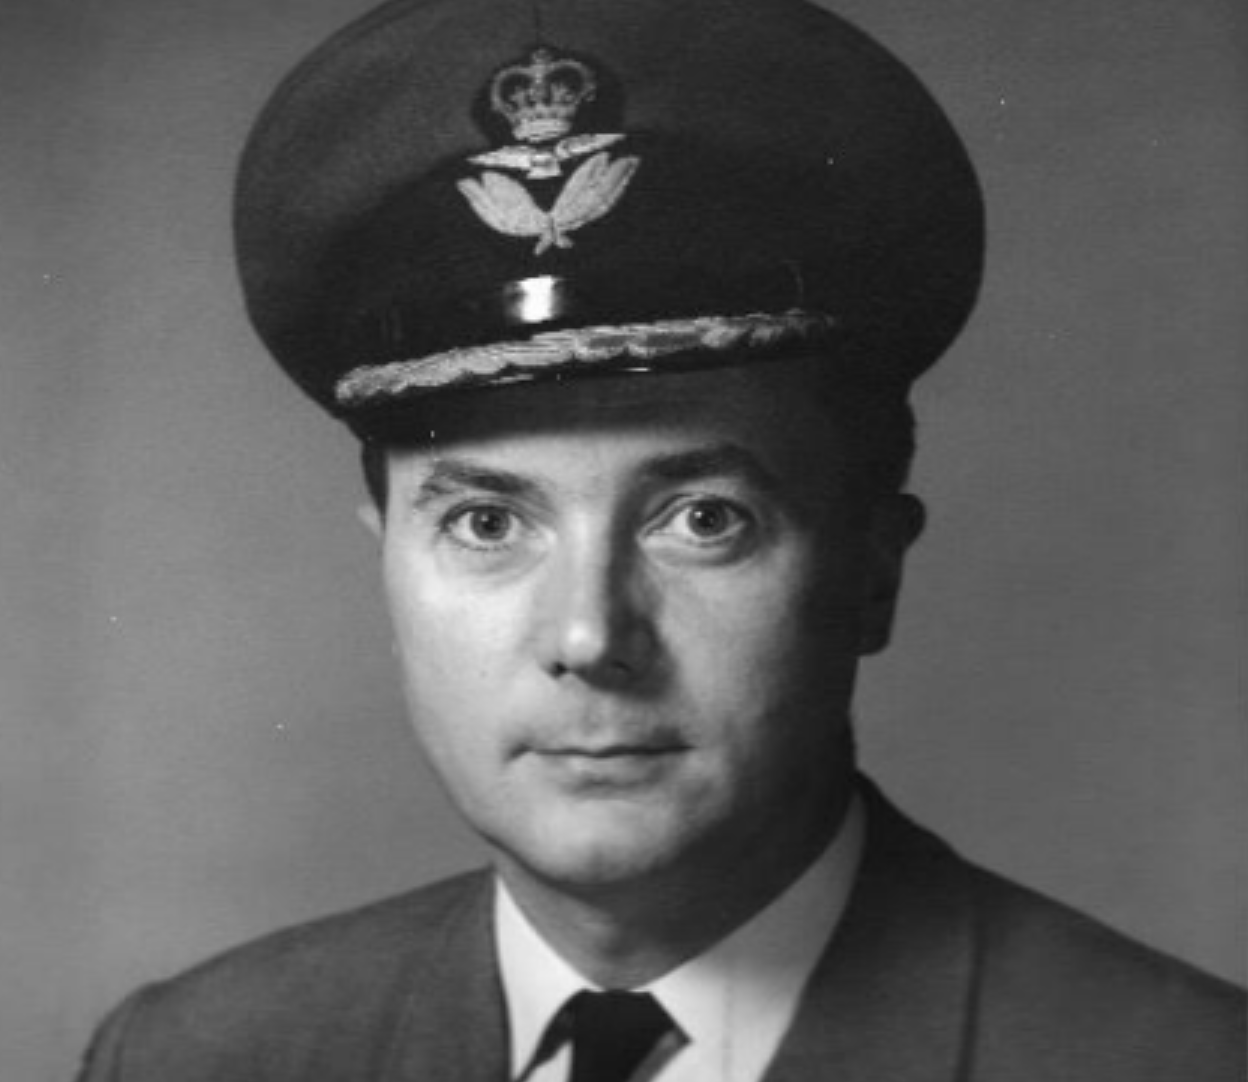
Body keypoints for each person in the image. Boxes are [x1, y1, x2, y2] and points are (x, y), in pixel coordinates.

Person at [77, 0, 1244, 1078]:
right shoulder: (196, 1054)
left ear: (872, 566)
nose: (589, 634)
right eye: (487, 521)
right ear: (385, 550)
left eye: (704, 519)